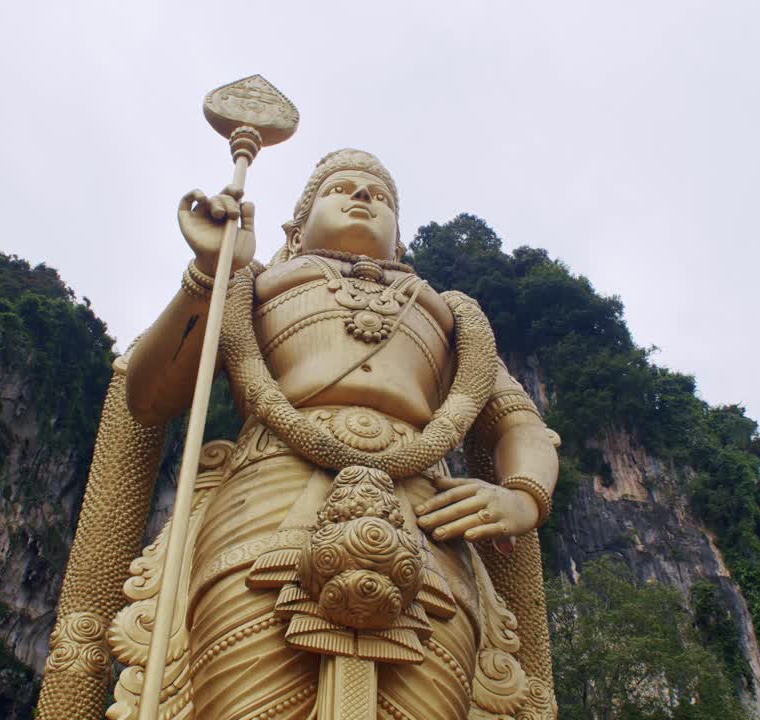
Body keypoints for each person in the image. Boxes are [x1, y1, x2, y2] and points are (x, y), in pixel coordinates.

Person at [114, 149, 559, 720]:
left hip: (424, 516)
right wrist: (209, 272)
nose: (362, 198)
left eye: (380, 197)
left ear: (400, 241)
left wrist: (523, 494)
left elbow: (519, 423)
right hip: (268, 496)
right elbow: (149, 396)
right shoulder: (255, 287)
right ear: (296, 230)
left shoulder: (446, 318)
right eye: (341, 188)